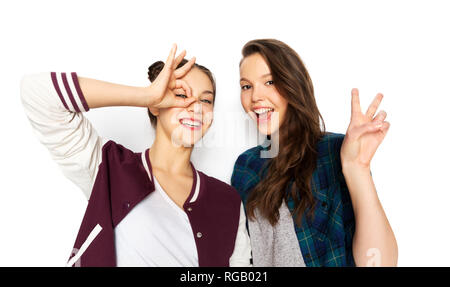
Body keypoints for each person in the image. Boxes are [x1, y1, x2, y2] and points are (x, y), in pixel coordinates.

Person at [20, 44, 252, 267]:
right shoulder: (109, 167)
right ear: (155, 105)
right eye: (181, 95)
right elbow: (36, 93)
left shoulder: (228, 200)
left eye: (206, 100)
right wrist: (145, 95)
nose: (196, 107)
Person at [231, 39, 398, 267]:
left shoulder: (336, 151)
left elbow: (380, 264)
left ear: (293, 84)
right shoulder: (246, 166)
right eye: (246, 86)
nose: (255, 96)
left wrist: (357, 168)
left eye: (269, 82)